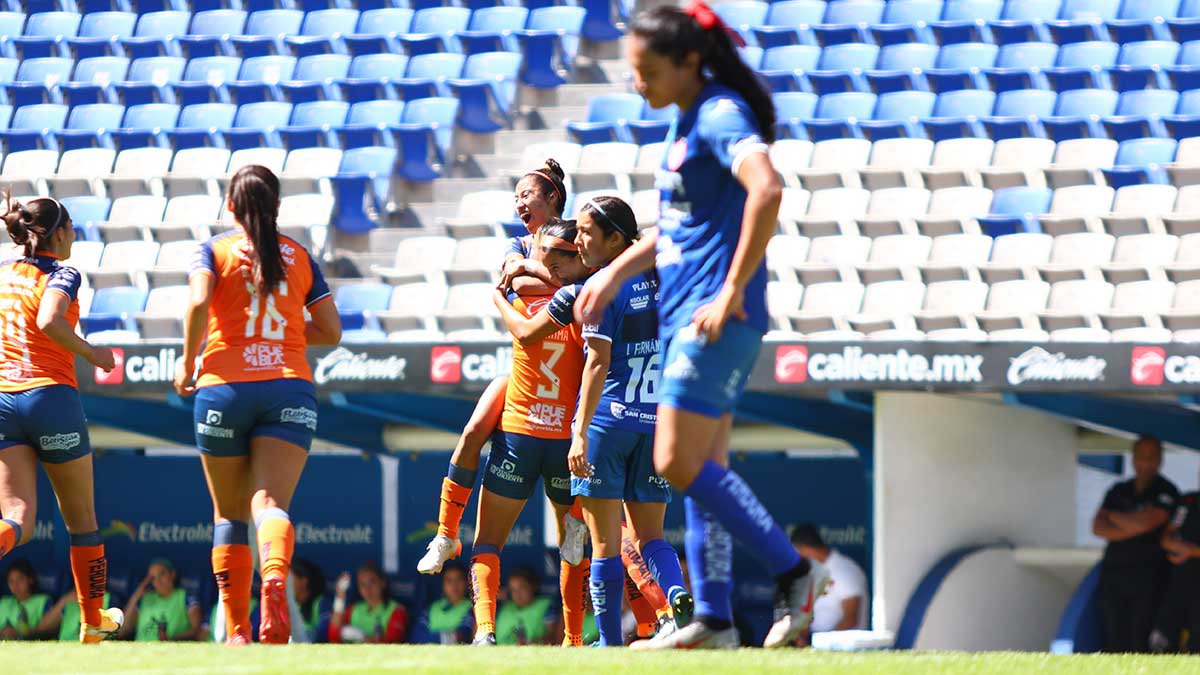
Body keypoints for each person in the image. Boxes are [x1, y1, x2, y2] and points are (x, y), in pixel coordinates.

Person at [575, 1, 829, 649]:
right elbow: (675, 230)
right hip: (686, 312)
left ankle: (796, 572)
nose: (637, 83)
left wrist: (732, 289)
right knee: (701, 468)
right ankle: (714, 619)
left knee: (673, 460)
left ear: (690, 61)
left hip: (713, 316)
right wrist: (612, 275)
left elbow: (767, 188)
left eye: (648, 71)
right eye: (633, 71)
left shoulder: (719, 114)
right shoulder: (686, 120)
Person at [174, 165, 342, 646]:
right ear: (277, 206)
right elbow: (331, 331)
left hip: (224, 388)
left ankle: (238, 632)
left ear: (230, 205)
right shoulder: (299, 255)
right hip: (288, 387)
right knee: (271, 506)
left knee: (229, 515)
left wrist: (187, 362)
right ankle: (274, 579)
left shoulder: (214, 250)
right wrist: (285, 335)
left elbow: (199, 303)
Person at [419, 159, 588, 577]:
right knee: (473, 430)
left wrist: (531, 271)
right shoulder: (518, 242)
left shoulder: (575, 238)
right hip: (526, 373)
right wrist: (547, 276)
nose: (518, 204)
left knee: (579, 521)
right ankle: (446, 534)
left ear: (553, 197)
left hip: (572, 373)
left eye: (525, 195)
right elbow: (515, 284)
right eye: (515, 198)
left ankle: (580, 529)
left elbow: (577, 283)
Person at [567, 195, 691, 647]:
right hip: (654, 425)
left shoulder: (606, 285)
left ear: (616, 239)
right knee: (651, 537)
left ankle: (608, 644)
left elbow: (597, 363)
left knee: (603, 544)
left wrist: (579, 432)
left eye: (586, 232)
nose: (578, 241)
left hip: (608, 422)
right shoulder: (669, 282)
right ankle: (676, 594)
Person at [0, 195, 123, 643]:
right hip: (50, 398)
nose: (75, 236)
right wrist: (93, 354)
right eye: (72, 228)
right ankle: (93, 623)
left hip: (4, 401)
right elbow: (50, 320)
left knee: (17, 518)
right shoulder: (62, 273)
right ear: (59, 233)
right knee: (82, 520)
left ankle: (93, 623)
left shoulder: (4, 273)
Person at [471, 218, 593, 646]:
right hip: (565, 439)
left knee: (488, 541)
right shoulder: (585, 300)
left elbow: (522, 320)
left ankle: (484, 631)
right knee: (575, 546)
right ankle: (573, 639)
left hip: (520, 433)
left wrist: (500, 295)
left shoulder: (522, 295)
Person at [1092, 437, 1178, 653]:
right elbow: (1098, 527)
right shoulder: (1118, 490)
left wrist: (1114, 517)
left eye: (1152, 457)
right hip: (1114, 573)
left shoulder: (1166, 490)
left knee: (1140, 637)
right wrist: (1133, 525)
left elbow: (1148, 522)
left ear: (1160, 460)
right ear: (1133, 459)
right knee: (1112, 636)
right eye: (1141, 457)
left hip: (1149, 577)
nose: (1146, 463)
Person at [790, 524, 868, 637]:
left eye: (797, 553)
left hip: (844, 643)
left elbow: (851, 620)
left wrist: (824, 643)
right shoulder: (811, 571)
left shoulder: (845, 570)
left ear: (805, 548)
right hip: (816, 641)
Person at [1152, 484, 1200, 653]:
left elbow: (1190, 550)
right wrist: (1170, 543)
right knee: (1161, 640)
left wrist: (1192, 551)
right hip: (1179, 583)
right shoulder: (1188, 501)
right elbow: (1169, 531)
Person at [120, 558, 203, 642]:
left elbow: (196, 630)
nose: (158, 581)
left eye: (162, 574)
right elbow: (122, 630)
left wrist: (171, 641)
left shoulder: (186, 598)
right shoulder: (145, 599)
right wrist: (137, 594)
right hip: (141, 648)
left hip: (171, 648)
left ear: (172, 574)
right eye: (153, 578)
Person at [327, 561, 409, 644]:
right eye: (362, 584)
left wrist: (361, 637)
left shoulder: (397, 610)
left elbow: (393, 642)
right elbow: (333, 637)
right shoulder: (355, 608)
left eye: (372, 582)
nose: (367, 589)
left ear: (383, 583)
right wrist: (340, 597)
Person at [494, 566, 558, 645]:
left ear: (533, 586)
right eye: (513, 589)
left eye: (522, 587)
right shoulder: (504, 607)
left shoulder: (546, 607)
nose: (517, 594)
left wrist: (532, 643)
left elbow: (554, 637)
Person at [412, 562, 473, 644]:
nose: (454, 585)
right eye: (449, 581)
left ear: (467, 582)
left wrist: (430, 637)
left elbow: (462, 635)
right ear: (443, 584)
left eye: (459, 580)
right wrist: (446, 637)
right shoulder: (433, 607)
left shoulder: (473, 608)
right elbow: (416, 636)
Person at [37, 579, 115, 642]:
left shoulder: (109, 599)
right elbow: (43, 628)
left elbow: (118, 631)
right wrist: (64, 601)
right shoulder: (71, 598)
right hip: (64, 649)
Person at [0, 559, 50, 639]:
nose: (15, 585)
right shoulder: (4, 602)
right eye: (11, 581)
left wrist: (18, 633)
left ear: (30, 579)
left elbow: (49, 631)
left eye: (20, 579)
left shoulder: (43, 601)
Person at [293, 558, 332, 643]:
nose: (286, 583)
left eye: (290, 579)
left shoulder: (322, 603)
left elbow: (323, 634)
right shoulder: (288, 605)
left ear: (304, 581)